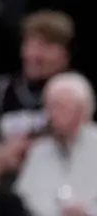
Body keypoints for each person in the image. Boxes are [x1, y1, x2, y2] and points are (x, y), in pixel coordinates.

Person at [0, 13, 74, 145]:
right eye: (30, 44)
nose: (35, 55)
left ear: (65, 54)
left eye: (46, 46)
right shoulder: (3, 89)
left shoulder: (76, 93)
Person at [15, 74, 97, 216]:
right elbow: (23, 198)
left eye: (59, 107)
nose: (50, 115)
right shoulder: (38, 150)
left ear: (81, 110)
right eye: (48, 107)